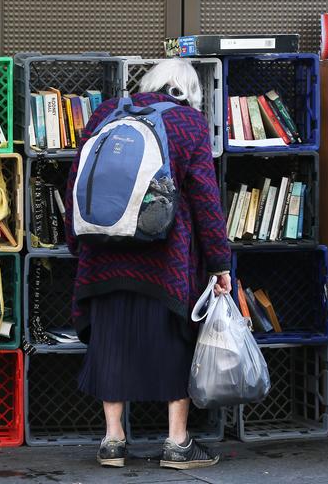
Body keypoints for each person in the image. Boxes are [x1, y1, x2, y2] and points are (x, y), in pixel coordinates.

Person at [64, 58, 231, 470]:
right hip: (166, 262)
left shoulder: (107, 113)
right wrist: (219, 263)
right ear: (191, 93)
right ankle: (177, 443)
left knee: (111, 342)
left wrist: (77, 243)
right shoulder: (189, 124)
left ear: (148, 83)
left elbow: (74, 181)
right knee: (177, 341)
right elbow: (206, 201)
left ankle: (112, 441)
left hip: (102, 256)